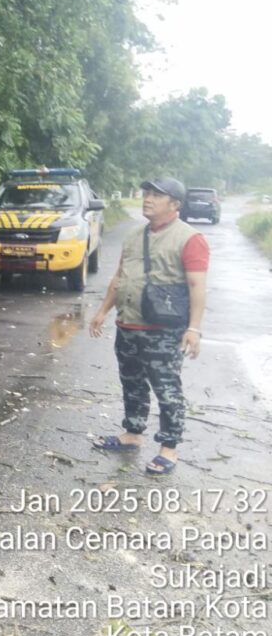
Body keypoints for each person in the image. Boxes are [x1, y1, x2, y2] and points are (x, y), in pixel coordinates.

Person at [88, 176, 209, 475]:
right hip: (128, 324)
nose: (148, 198)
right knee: (132, 383)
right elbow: (119, 277)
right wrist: (103, 311)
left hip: (163, 331)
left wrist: (193, 329)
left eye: (157, 194)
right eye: (147, 193)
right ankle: (132, 434)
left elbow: (197, 285)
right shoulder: (133, 236)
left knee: (167, 389)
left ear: (175, 204)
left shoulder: (190, 238)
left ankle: (169, 448)